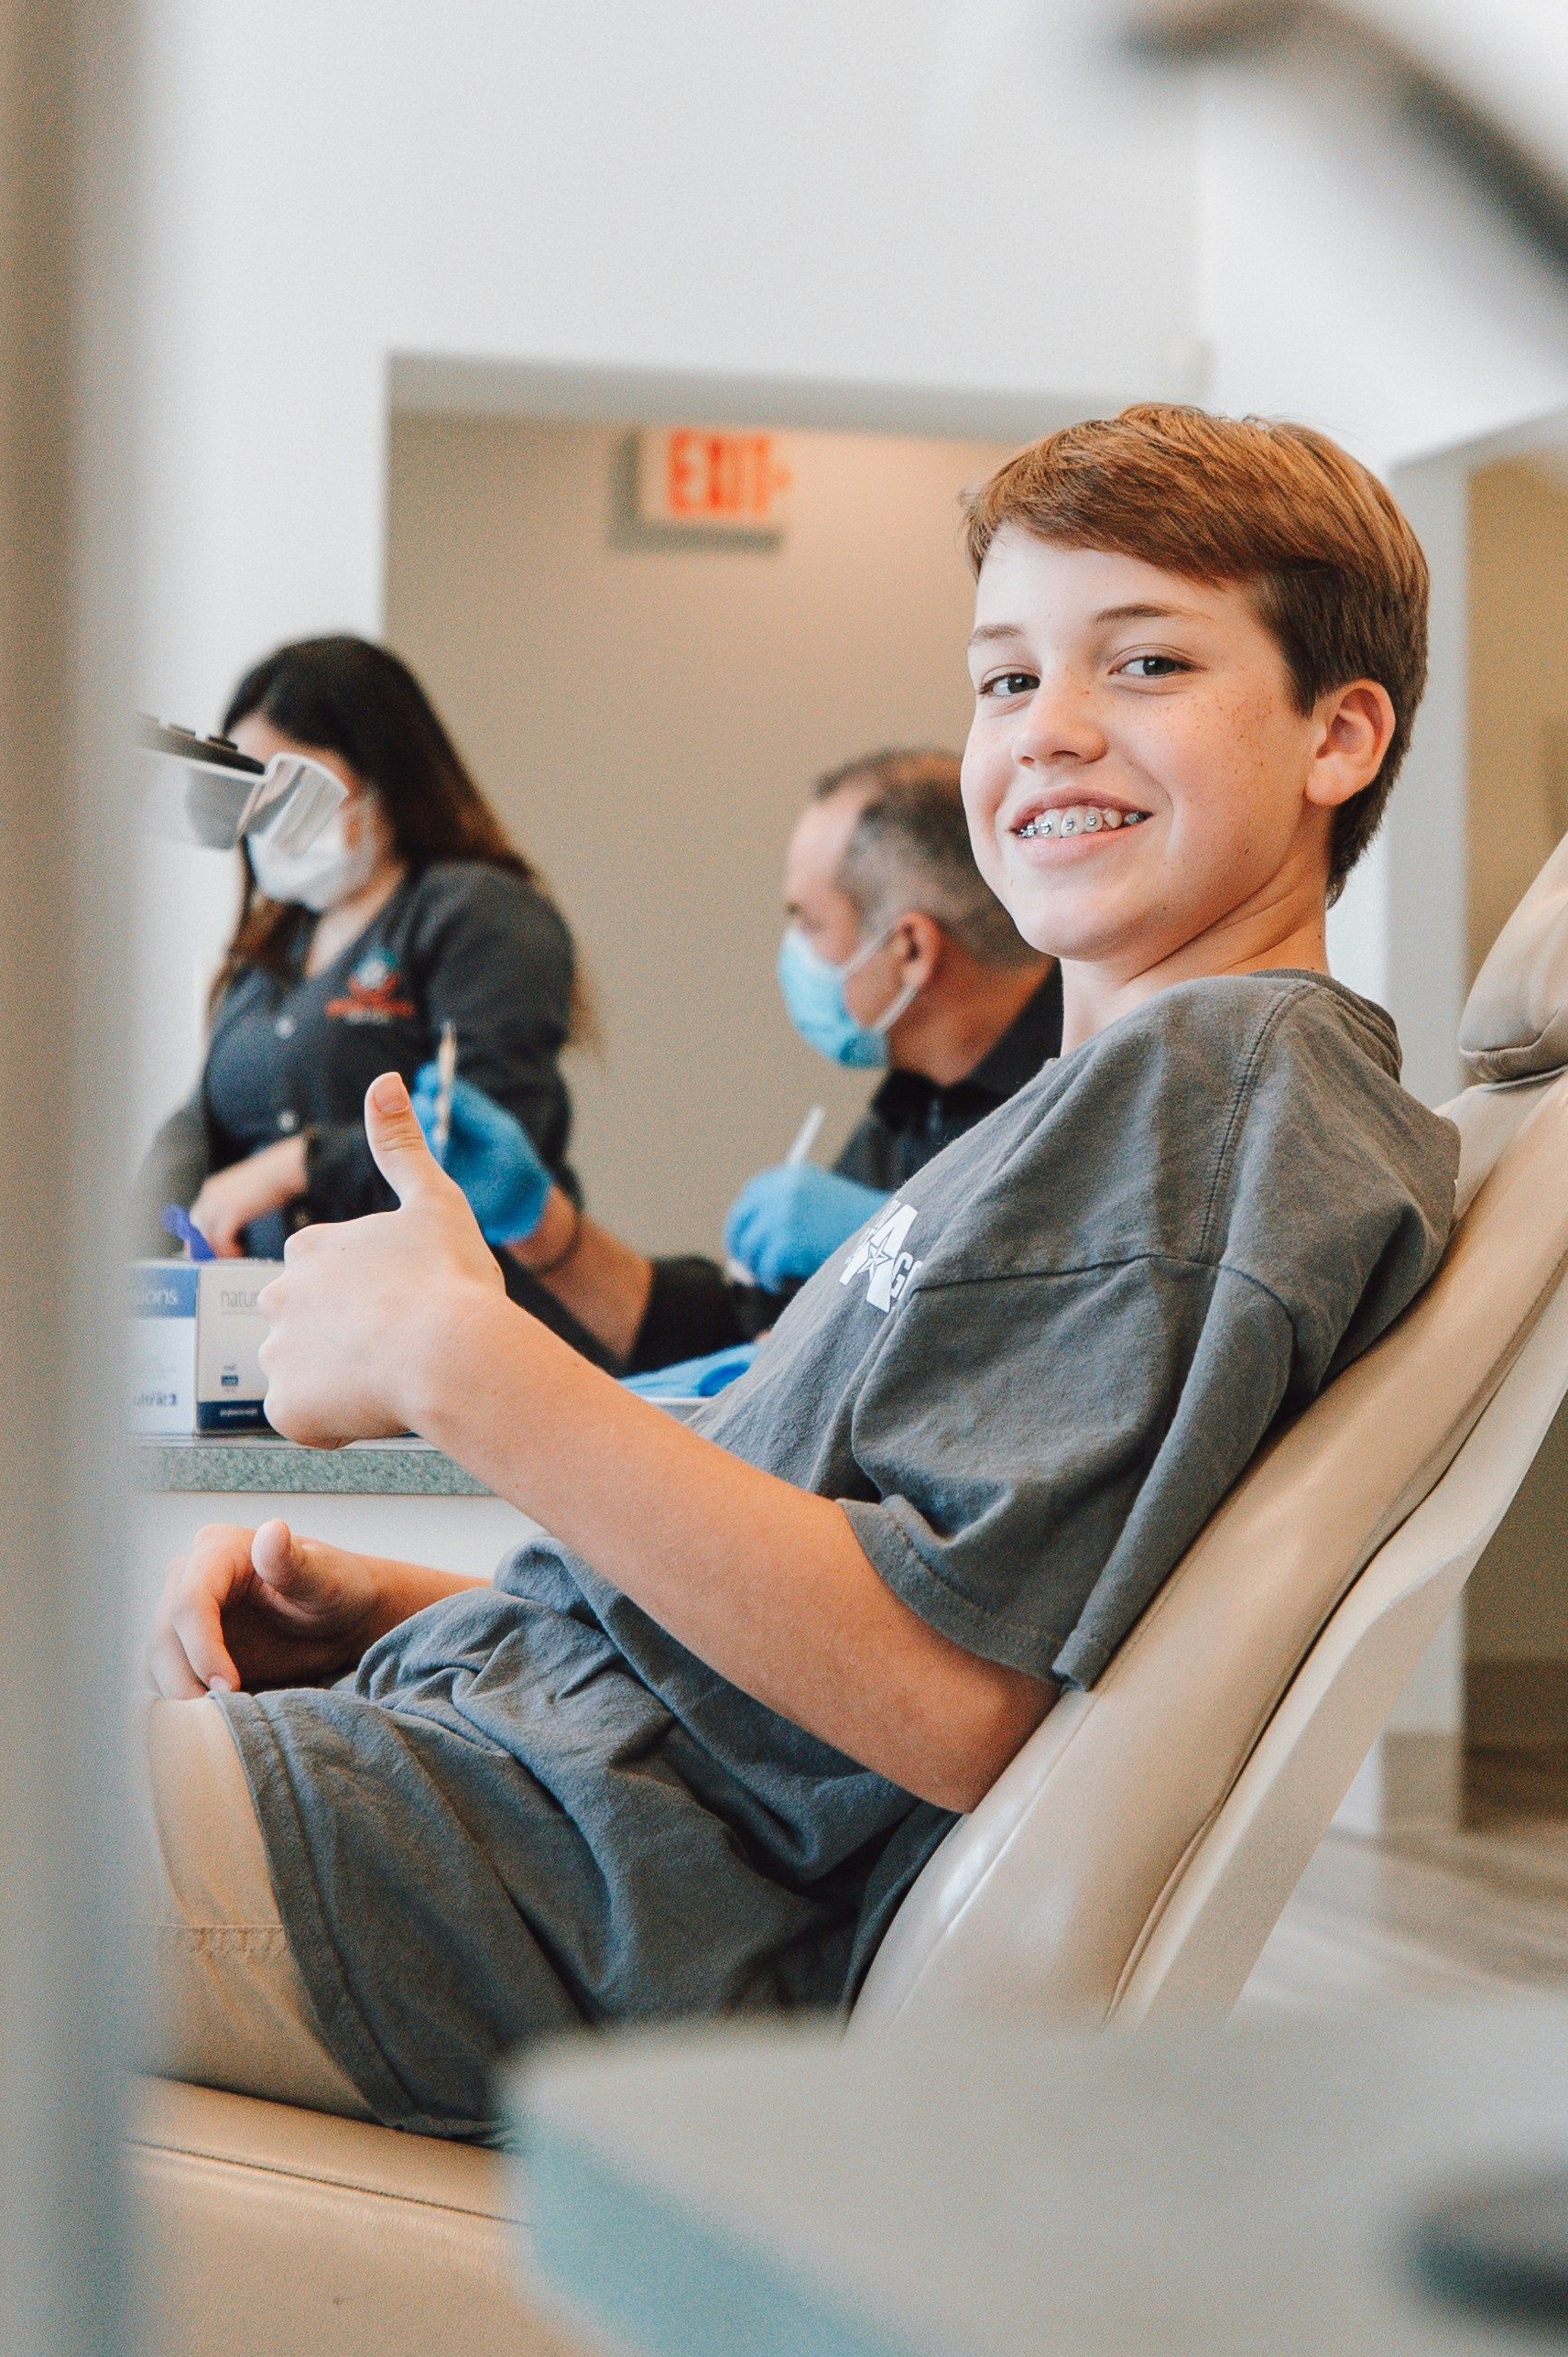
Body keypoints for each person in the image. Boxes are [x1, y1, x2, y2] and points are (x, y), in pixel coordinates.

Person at [142, 407, 1457, 2138]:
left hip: (556, 1895)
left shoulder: (1214, 1095)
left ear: (1335, 735)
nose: (1050, 728)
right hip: (507, 1797)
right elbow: (816, 1635)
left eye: (1142, 662)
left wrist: (462, 1365)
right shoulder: (1097, 1111)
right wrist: (412, 1605)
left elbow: (945, 1700)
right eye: (1003, 681)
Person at [464, 747, 1061, 1376]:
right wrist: (541, 1226)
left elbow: (1062, 1347)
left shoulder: (1082, 1095)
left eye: (807, 921)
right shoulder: (914, 1103)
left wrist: (903, 1244)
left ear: (909, 947)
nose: (792, 951)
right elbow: (755, 1337)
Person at [136, 635, 619, 1361]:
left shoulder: (475, 913)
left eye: (289, 781)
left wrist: (298, 1161)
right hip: (294, 1347)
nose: (268, 815)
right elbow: (203, 1125)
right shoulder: (274, 947)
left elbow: (480, 1127)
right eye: (251, 788)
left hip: (455, 1343)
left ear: (382, 771)